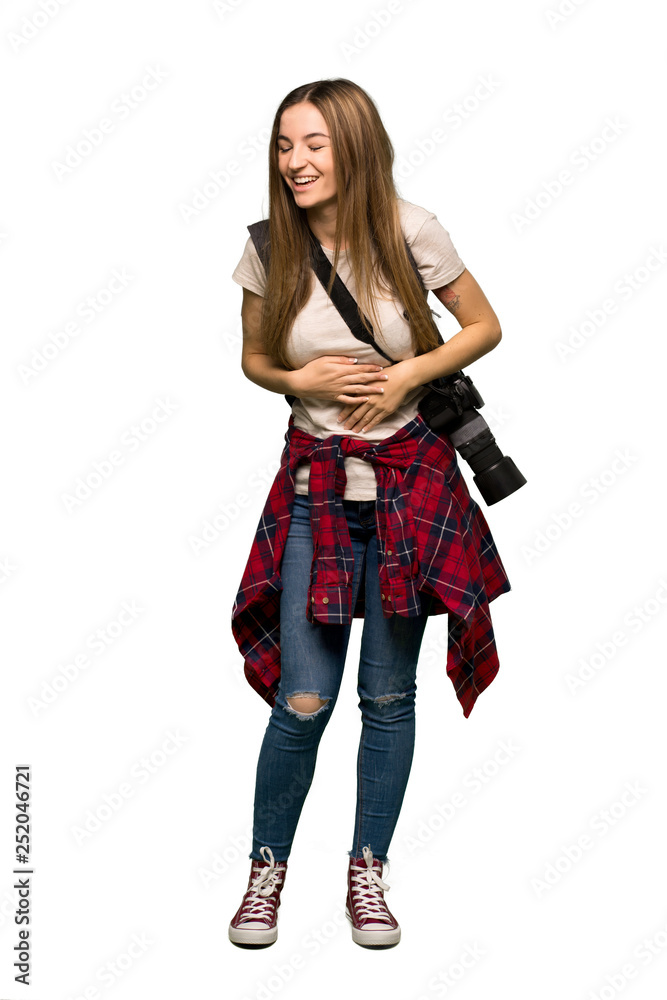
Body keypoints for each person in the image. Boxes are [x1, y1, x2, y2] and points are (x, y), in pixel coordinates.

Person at [227, 78, 511, 950]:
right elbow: (251, 357)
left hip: (408, 487)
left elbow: (484, 325)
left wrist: (404, 377)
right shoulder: (268, 244)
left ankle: (367, 873)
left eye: (312, 143)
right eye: (284, 145)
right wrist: (294, 380)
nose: (295, 162)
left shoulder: (409, 226)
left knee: (387, 697)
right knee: (303, 699)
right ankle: (266, 869)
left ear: (351, 146)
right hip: (313, 489)